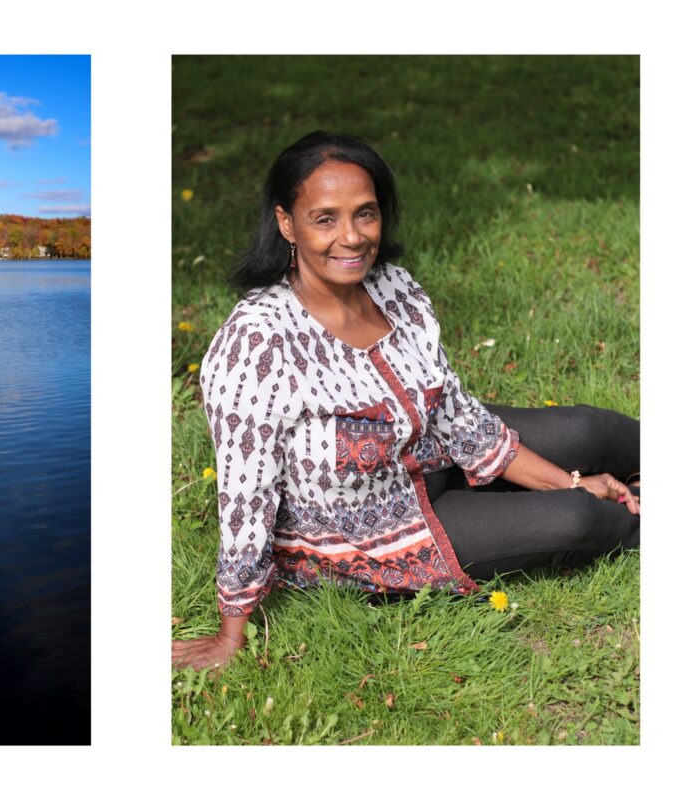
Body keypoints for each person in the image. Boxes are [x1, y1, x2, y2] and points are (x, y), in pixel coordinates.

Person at [171, 132, 639, 672]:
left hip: (430, 453)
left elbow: (456, 416)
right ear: (286, 224)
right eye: (325, 219)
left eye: (365, 214)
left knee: (588, 430)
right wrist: (232, 630)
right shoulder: (257, 341)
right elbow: (244, 492)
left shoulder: (394, 288)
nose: (350, 237)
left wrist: (570, 476)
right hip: (367, 530)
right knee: (577, 520)